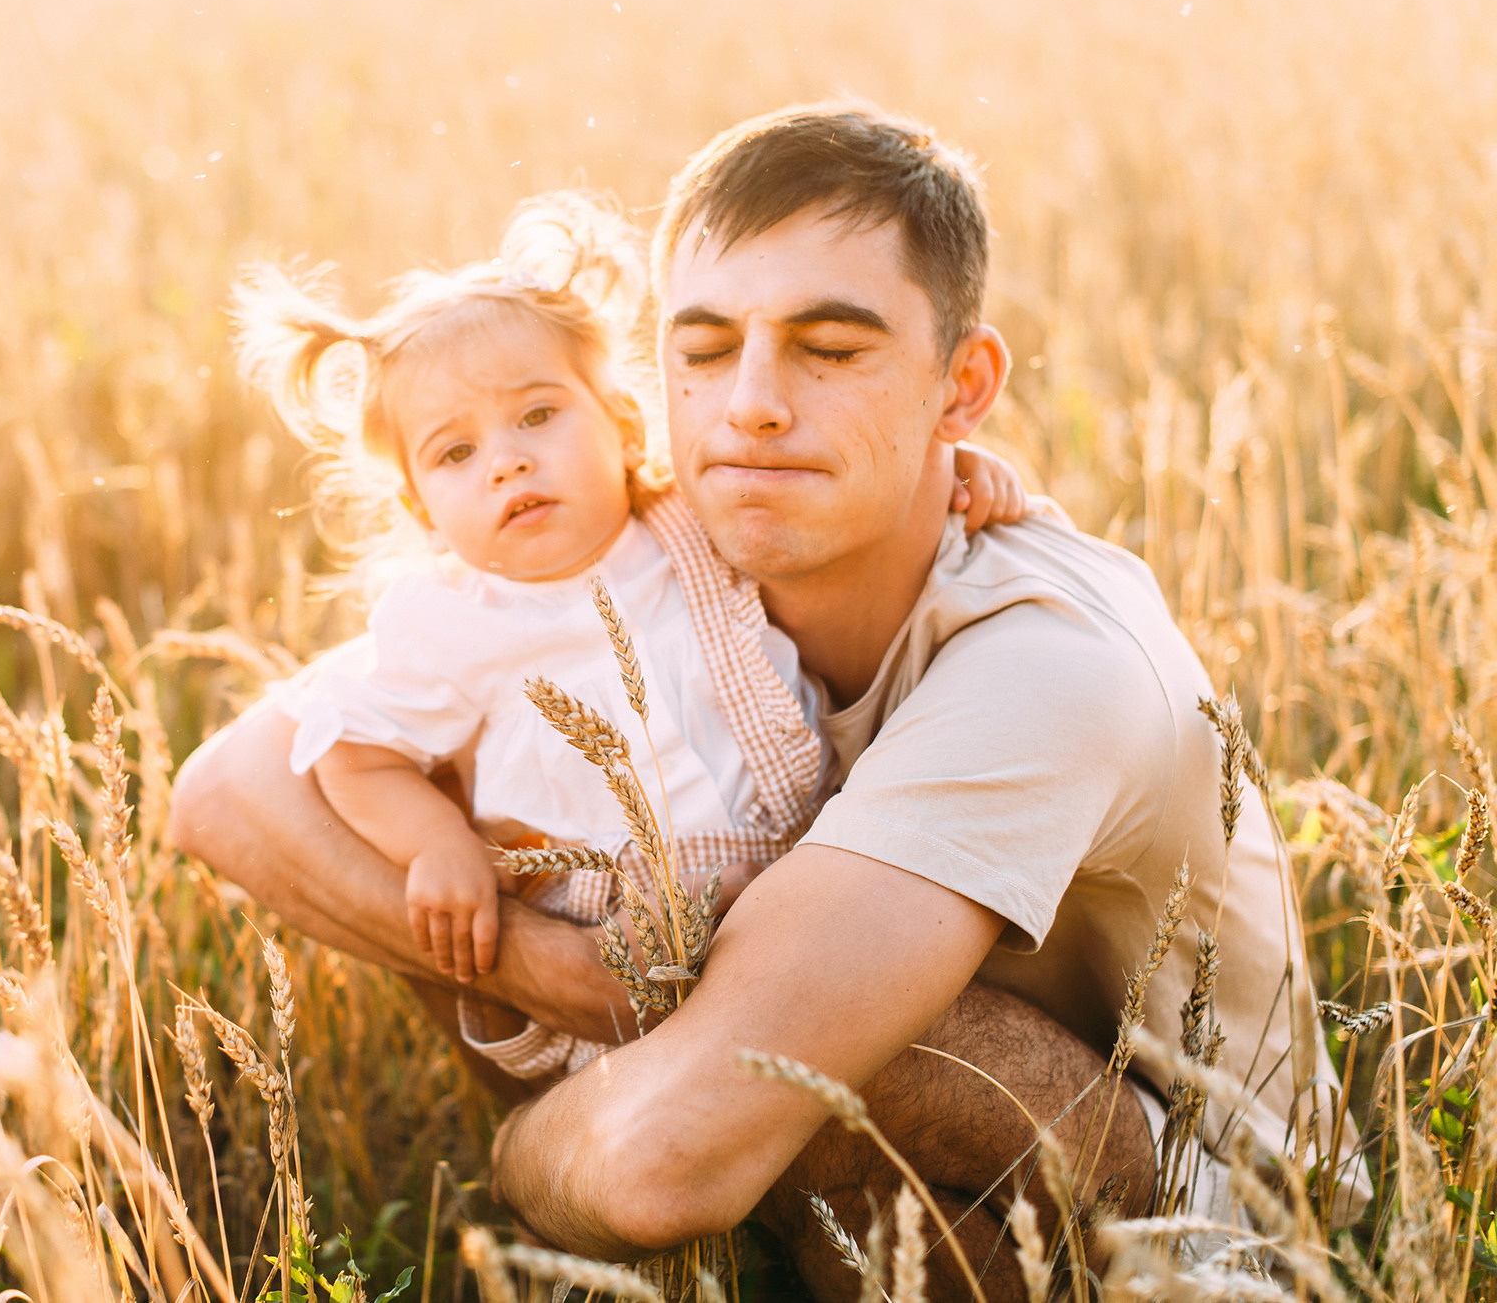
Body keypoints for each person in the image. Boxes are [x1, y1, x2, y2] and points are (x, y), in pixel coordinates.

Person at [172, 104, 1360, 1300]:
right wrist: (533, 961)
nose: (747, 405)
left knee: (796, 1062)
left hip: (1201, 1201)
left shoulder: (1047, 662)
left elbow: (654, 1163)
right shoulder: (662, 559)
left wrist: (524, 1146)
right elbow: (226, 790)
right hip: (890, 1154)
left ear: (962, 387)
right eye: (700, 351)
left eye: (828, 349)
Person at [231, 192, 1028, 1082]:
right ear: (419, 506)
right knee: (677, 1097)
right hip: (607, 920)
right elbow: (354, 751)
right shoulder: (447, 623)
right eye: (455, 454)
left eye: (538, 416)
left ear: (622, 424)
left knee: (860, 1054)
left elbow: (841, 481)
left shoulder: (689, 519)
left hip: (805, 859)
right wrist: (435, 844)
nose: (507, 461)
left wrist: (951, 463)